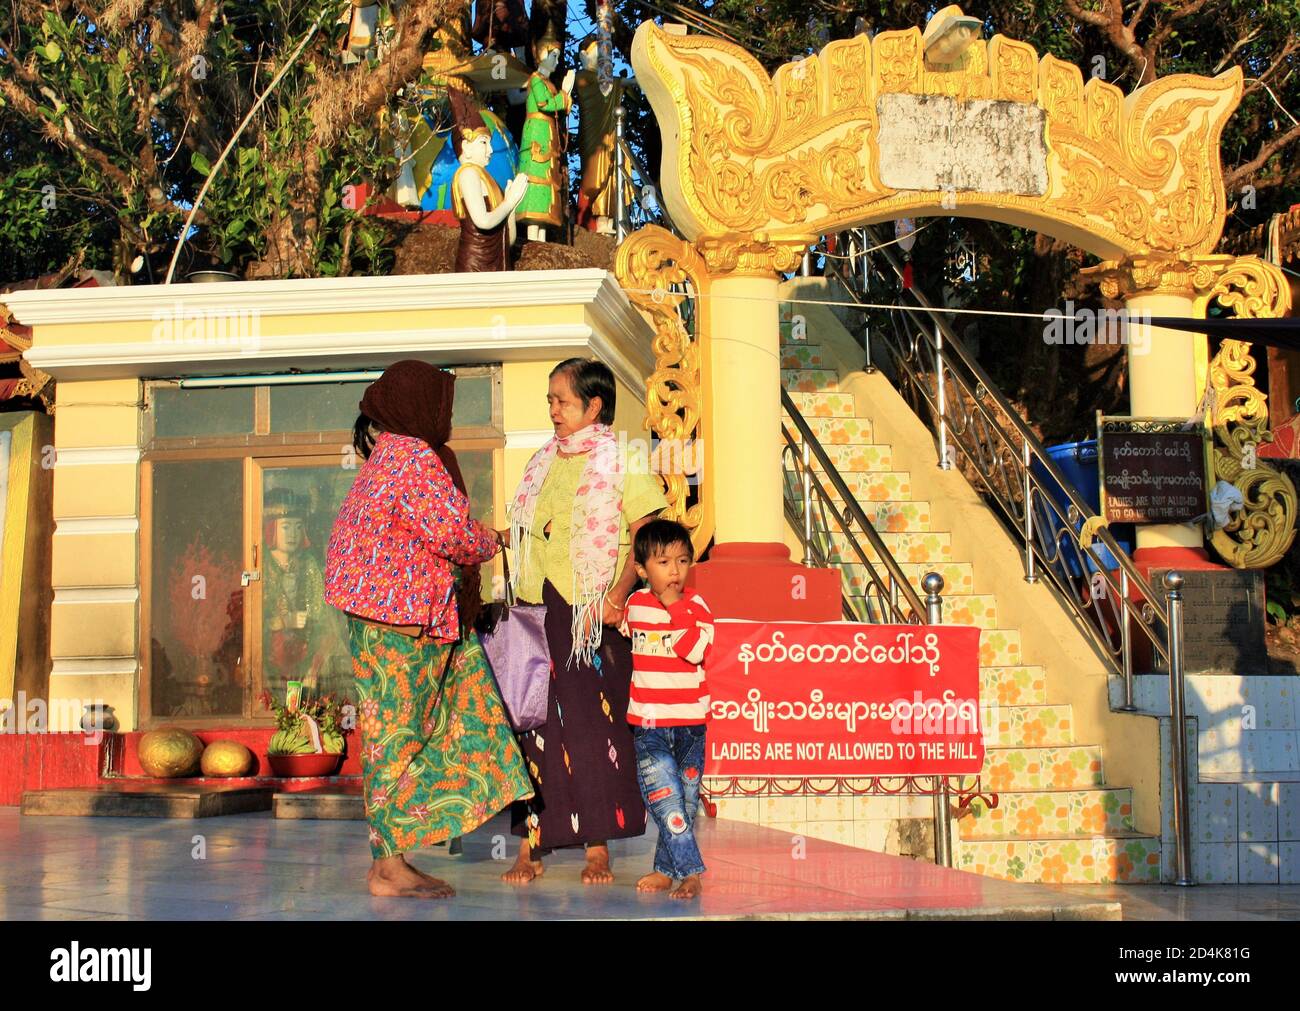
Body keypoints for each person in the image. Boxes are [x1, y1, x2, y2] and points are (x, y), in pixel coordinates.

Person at [324, 360, 533, 899]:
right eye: (444, 406)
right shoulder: (414, 458)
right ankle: (388, 864)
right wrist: (494, 541)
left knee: (448, 719)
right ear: (422, 406)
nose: (448, 417)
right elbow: (453, 535)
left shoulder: (388, 458)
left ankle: (392, 857)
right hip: (403, 624)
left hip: (397, 620)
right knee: (399, 736)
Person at [502, 358, 667, 885]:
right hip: (539, 610)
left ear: (594, 406)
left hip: (594, 613)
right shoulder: (541, 462)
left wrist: (620, 593)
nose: (552, 410)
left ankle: (599, 845)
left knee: (597, 728)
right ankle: (531, 844)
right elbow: (530, 531)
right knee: (534, 726)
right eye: (550, 400)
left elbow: (648, 538)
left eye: (561, 401)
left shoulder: (623, 461)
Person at [619, 519, 714, 900]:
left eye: (682, 560)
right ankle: (691, 872)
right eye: (662, 562)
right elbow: (623, 632)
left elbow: (695, 650)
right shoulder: (635, 604)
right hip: (650, 724)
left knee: (686, 802)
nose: (674, 571)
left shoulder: (697, 606)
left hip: (690, 725)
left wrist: (675, 607)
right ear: (642, 570)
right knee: (665, 797)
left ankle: (664, 868)